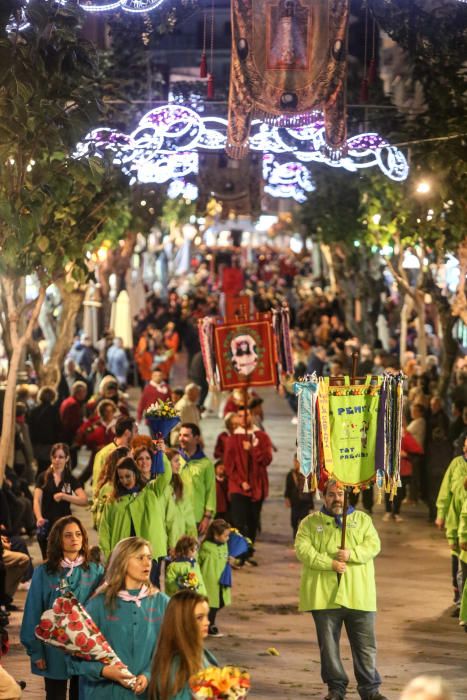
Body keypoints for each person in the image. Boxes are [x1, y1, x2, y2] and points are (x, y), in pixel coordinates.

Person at [295, 479, 387, 700]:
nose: (336, 498)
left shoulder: (363, 520)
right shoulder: (309, 523)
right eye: (331, 494)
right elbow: (302, 550)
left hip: (359, 595)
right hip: (324, 597)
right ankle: (336, 688)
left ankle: (370, 690)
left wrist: (351, 555)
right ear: (323, 496)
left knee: (365, 647)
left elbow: (373, 545)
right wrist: (330, 564)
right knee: (328, 648)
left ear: (348, 496)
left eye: (340, 494)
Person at [69, 537, 169, 699]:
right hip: (104, 694)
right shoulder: (98, 605)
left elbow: (171, 650)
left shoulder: (162, 602)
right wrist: (103, 671)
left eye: (149, 558)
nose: (147, 563)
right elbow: (72, 659)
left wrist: (149, 675)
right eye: (140, 557)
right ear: (122, 561)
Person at [20, 516, 103, 700]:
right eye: (68, 535)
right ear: (58, 539)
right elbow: (33, 612)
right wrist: (36, 652)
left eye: (78, 534)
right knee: (55, 696)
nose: (74, 539)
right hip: (53, 651)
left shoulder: (96, 572)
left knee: (81, 695)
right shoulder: (44, 572)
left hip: (85, 650)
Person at [99, 456, 173, 586]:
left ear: (135, 473)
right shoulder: (112, 501)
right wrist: (108, 556)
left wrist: (161, 453)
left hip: (150, 553)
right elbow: (105, 530)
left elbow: (166, 475)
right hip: (124, 555)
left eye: (128, 476)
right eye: (121, 477)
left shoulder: (151, 490)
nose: (124, 481)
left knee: (150, 589)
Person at [149, 590, 217, 700]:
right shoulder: (177, 666)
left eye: (206, 616)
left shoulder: (202, 654)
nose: (207, 622)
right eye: (199, 617)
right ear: (182, 621)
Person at [223, 407, 273, 545]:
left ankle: (249, 550)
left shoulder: (262, 437)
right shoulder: (232, 439)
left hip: (257, 486)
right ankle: (240, 553)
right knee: (239, 521)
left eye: (246, 415)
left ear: (252, 416)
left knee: (253, 521)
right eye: (239, 416)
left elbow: (267, 460)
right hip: (238, 487)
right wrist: (241, 481)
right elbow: (228, 465)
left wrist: (252, 450)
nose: (243, 418)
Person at [33, 444, 88, 559]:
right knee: (47, 559)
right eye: (54, 456)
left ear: (67, 458)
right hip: (46, 524)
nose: (57, 460)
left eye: (61, 457)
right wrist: (39, 517)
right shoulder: (43, 477)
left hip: (64, 525)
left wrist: (64, 496)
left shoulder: (70, 479)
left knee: (63, 559)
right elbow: (37, 500)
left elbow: (84, 500)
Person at [178, 424, 216, 535]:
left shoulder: (206, 464)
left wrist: (207, 517)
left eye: (186, 436)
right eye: (180, 435)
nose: (181, 439)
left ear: (196, 438)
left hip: (196, 517)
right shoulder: (174, 459)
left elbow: (211, 492)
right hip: (176, 515)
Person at [92, 416, 138, 505]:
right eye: (136, 431)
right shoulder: (104, 454)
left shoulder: (133, 452)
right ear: (128, 433)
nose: (137, 435)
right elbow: (97, 485)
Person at [198, 519, 232, 637]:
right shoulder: (206, 547)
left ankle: (207, 622)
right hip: (210, 580)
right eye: (225, 535)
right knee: (212, 604)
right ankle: (209, 625)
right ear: (216, 535)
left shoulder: (225, 545)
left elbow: (225, 557)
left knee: (221, 602)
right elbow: (199, 561)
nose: (228, 538)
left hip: (222, 581)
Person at [28, 386, 63, 474]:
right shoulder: (54, 410)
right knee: (49, 467)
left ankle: (39, 484)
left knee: (40, 466)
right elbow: (58, 428)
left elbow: (30, 428)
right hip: (50, 444)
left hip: (37, 443)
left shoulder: (34, 411)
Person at [165, 449, 197, 541]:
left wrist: (192, 537)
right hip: (167, 540)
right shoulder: (161, 487)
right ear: (167, 463)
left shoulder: (180, 485)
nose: (179, 464)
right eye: (176, 461)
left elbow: (188, 514)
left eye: (179, 461)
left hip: (181, 538)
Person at [284, 454, 314, 538]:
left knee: (304, 522)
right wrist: (287, 499)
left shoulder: (309, 475)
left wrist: (311, 501)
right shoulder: (291, 474)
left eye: (298, 462)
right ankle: (295, 535)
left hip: (305, 502)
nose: (296, 463)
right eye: (295, 461)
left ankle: (302, 538)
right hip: (295, 502)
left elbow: (313, 489)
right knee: (294, 521)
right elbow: (287, 489)